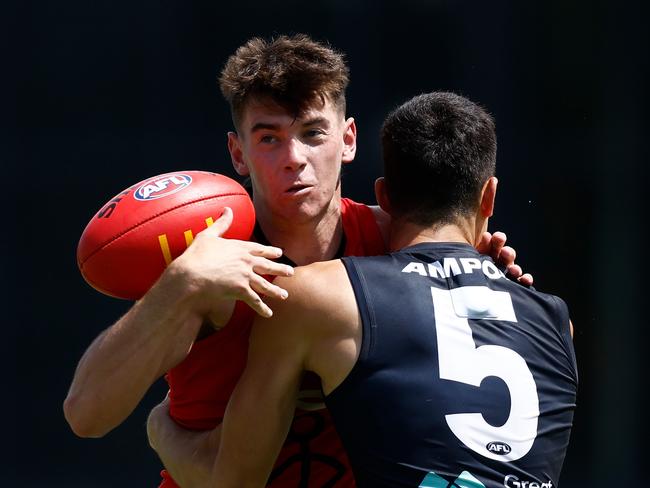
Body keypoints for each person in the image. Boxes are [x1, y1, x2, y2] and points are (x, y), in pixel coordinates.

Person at [63, 35, 530, 487]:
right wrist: (179, 284)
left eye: (312, 133)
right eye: (269, 138)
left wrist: (487, 276)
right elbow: (86, 415)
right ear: (237, 153)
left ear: (347, 140)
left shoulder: (395, 241)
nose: (294, 159)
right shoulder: (204, 261)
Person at [208, 92, 577, 488]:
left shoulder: (317, 295)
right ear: (489, 197)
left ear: (383, 197)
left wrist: (162, 430)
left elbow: (233, 481)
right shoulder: (556, 321)